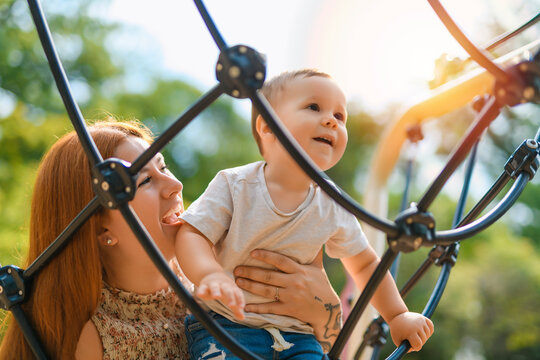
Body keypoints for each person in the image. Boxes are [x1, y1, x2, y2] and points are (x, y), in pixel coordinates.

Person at [0, 119, 344, 359]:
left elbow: (317, 344)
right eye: (146, 181)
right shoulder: (94, 337)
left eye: (164, 167)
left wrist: (324, 310)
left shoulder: (218, 272)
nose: (175, 185)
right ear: (100, 229)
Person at [176, 69, 435, 359]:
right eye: (314, 107)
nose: (330, 121)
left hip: (298, 337)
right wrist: (210, 273)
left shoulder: (333, 203)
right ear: (267, 127)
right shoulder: (236, 185)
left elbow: (364, 265)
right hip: (225, 325)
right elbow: (192, 232)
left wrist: (397, 315)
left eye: (340, 116)